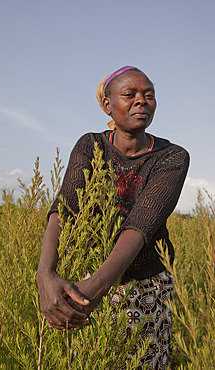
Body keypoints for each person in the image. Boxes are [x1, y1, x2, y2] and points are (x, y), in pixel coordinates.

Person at [36, 66, 189, 368]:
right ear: (107, 104)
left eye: (149, 96)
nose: (141, 102)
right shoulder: (91, 145)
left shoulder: (172, 157)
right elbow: (65, 207)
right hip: (83, 280)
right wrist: (45, 273)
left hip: (144, 286)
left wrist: (95, 289)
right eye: (129, 95)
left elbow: (140, 226)